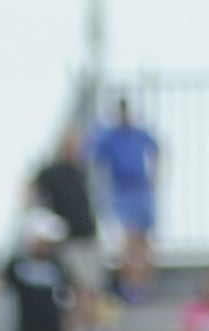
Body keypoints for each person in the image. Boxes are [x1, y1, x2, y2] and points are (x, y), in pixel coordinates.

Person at [33, 126, 105, 330]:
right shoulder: (53, 172)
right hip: (71, 240)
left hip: (88, 237)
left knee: (92, 287)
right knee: (80, 287)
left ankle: (92, 322)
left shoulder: (81, 171)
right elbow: (32, 191)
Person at [90, 97, 160, 300]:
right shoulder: (109, 137)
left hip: (142, 190)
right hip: (122, 192)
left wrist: (154, 177)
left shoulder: (139, 133)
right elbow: (93, 157)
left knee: (145, 242)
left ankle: (145, 284)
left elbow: (156, 149)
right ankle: (131, 285)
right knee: (130, 241)